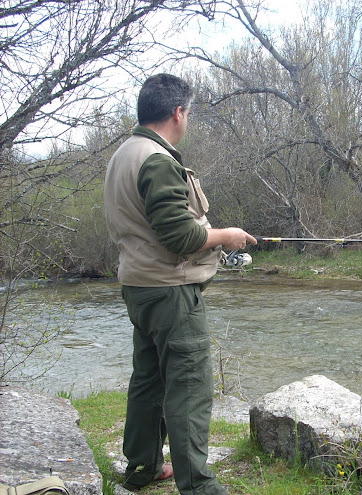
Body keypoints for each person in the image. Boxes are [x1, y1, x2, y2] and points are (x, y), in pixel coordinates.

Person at [104, 73, 257, 495]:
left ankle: (142, 468)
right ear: (178, 112)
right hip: (170, 293)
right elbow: (181, 238)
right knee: (189, 387)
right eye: (188, 112)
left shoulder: (124, 154)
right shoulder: (156, 159)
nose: (187, 119)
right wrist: (227, 235)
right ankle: (199, 486)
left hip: (138, 288)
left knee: (149, 380)